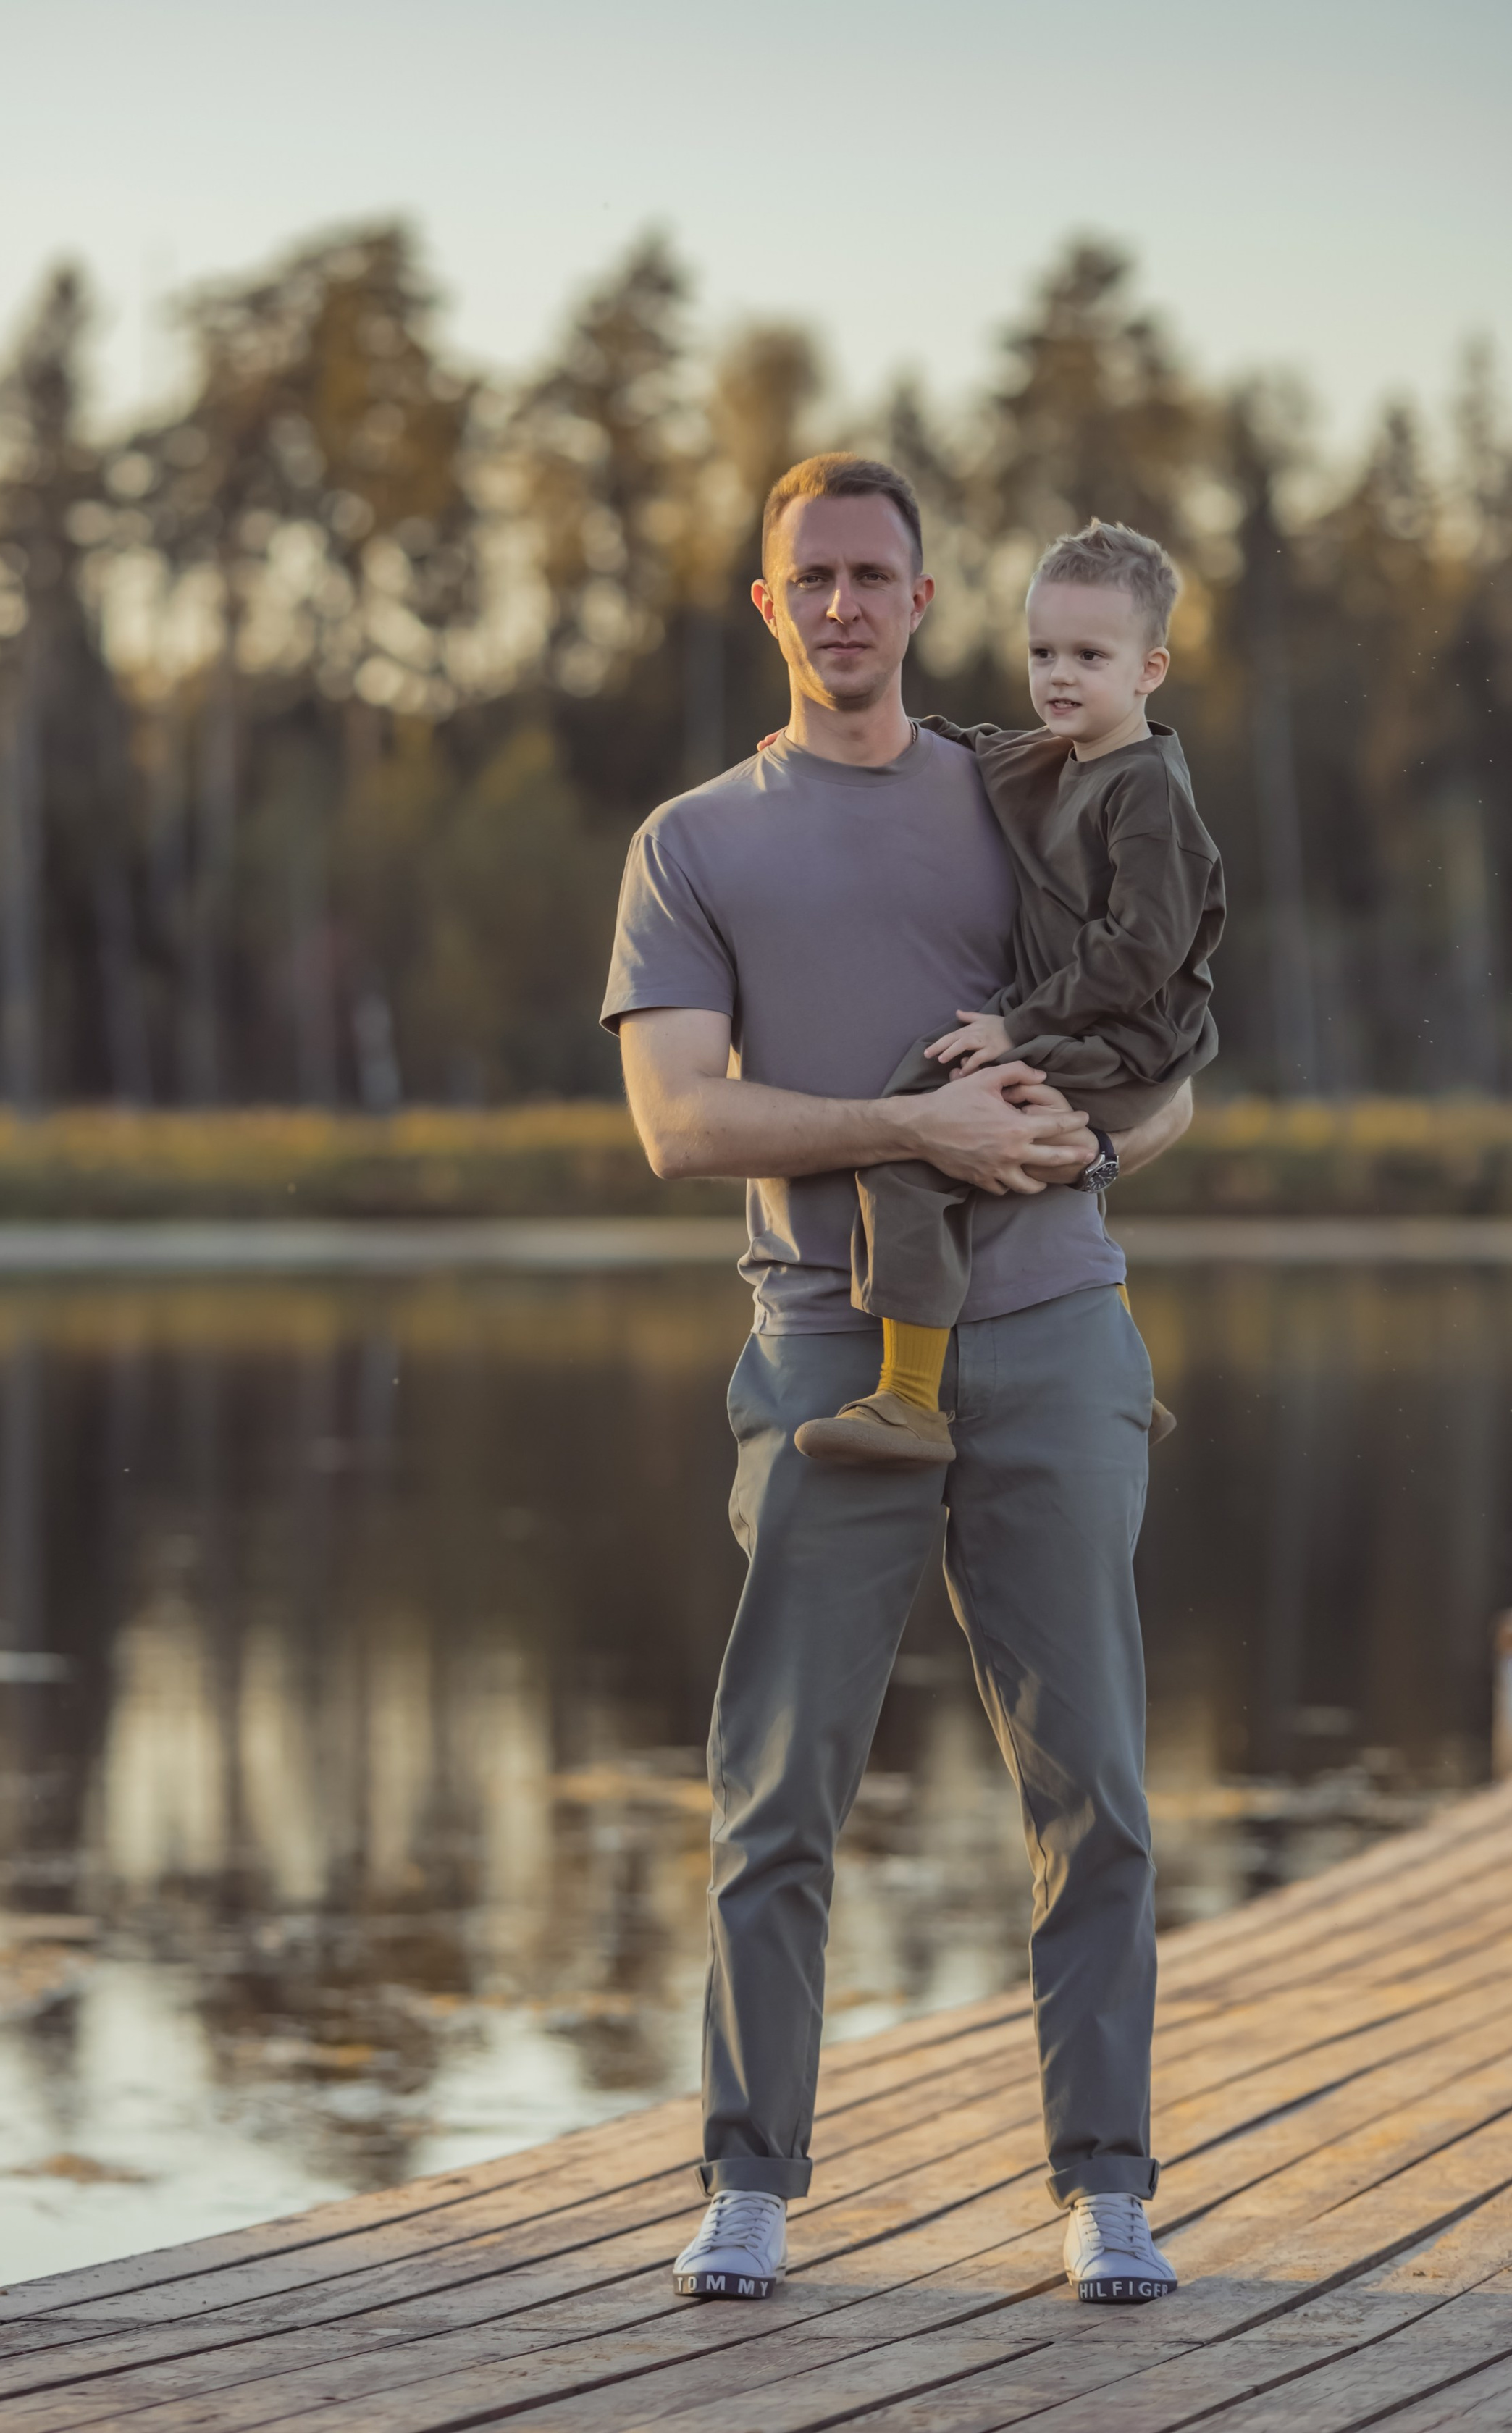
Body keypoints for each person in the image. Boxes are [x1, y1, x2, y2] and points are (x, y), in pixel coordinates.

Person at [602, 453, 1189, 2311]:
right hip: (821, 1353)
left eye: (875, 573)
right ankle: (747, 2181)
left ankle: (1105, 2188)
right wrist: (901, 1121)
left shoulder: (1030, 777)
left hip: (1054, 1338)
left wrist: (1084, 1152)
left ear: (922, 601)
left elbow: (1170, 1046)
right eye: (812, 580)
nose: (844, 604)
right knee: (776, 1795)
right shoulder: (694, 842)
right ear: (768, 610)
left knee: (1090, 1787)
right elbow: (678, 1121)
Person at [797, 518, 1224, 1470]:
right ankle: (1116, 1374)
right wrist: (831, 735)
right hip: (1089, 1028)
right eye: (1042, 653)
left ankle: (908, 1401)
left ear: (1149, 670)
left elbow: (1147, 946)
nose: (1059, 676)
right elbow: (978, 747)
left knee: (914, 1121)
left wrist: (1018, 1029)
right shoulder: (1063, 758)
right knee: (1006, 1153)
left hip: (1127, 1043)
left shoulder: (1147, 790)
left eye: (1088, 655)